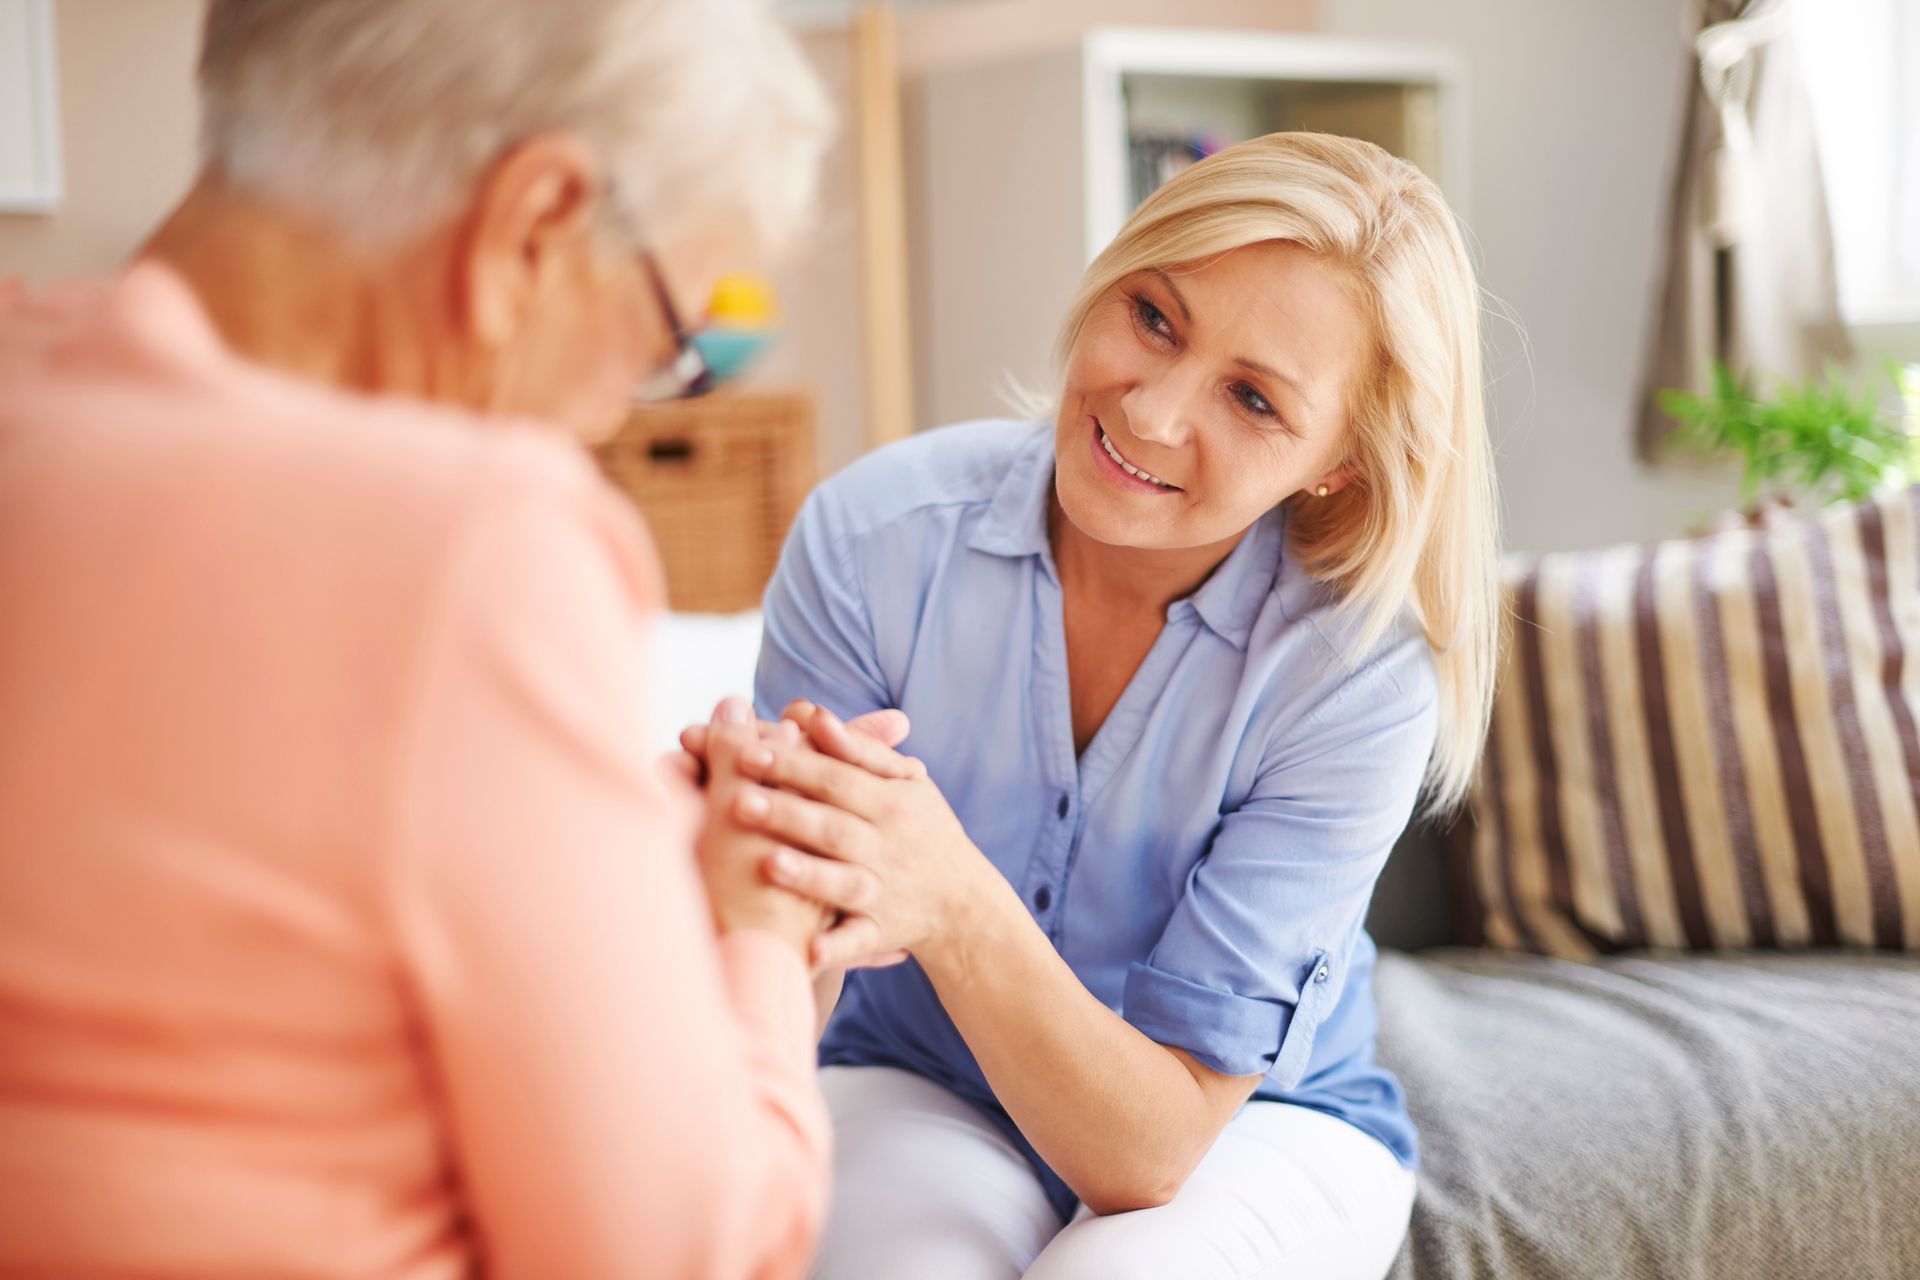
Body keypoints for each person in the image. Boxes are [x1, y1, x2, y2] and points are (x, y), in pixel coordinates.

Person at [0, 1, 851, 1276]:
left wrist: (607, 857)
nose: (615, 413)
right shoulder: (475, 542)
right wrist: (761, 936)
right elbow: (677, 1250)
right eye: (663, 340)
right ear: (536, 221)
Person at [711, 132, 1504, 1278]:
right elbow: (787, 970)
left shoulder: (1356, 675)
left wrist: (947, 892)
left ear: (1342, 463)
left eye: (1252, 397)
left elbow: (1151, 1150)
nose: (1152, 411)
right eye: (1154, 317)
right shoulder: (872, 538)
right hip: (919, 1076)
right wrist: (742, 871)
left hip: (1252, 1128)